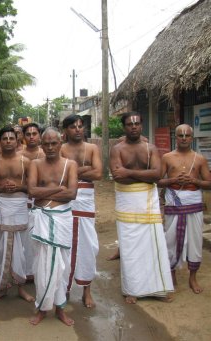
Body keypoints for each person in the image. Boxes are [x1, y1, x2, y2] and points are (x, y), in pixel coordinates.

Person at [110, 112, 174, 304]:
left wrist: (129, 172)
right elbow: (117, 176)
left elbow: (156, 175)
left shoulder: (151, 148)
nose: (134, 127)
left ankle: (159, 289)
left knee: (153, 244)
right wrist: (144, 175)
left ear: (142, 125)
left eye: (137, 123)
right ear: (124, 127)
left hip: (148, 202)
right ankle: (133, 289)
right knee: (130, 247)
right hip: (127, 202)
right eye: (130, 124)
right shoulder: (117, 149)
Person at [28, 127, 77, 326]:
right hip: (41, 218)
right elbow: (31, 191)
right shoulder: (35, 164)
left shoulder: (70, 164)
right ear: (41, 144)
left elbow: (72, 194)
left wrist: (44, 192)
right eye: (46, 144)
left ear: (61, 142)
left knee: (62, 267)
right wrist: (58, 189)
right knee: (42, 266)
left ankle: (60, 308)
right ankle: (41, 308)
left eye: (53, 143)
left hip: (62, 219)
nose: (49, 147)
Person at [158, 124, 211, 294]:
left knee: (195, 240)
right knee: (171, 237)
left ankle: (192, 277)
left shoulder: (200, 159)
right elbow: (158, 180)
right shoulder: (167, 157)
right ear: (176, 137)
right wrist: (173, 181)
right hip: (175, 200)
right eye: (180, 135)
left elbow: (208, 183)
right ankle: (171, 273)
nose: (183, 138)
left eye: (187, 135)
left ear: (191, 138)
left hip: (193, 201)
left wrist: (194, 182)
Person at [61, 114, 102, 308]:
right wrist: (84, 170)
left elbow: (99, 173)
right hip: (66, 200)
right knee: (65, 244)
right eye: (73, 127)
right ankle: (64, 287)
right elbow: (57, 175)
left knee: (88, 246)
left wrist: (72, 171)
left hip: (85, 201)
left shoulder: (92, 148)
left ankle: (87, 290)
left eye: (80, 126)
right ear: (66, 130)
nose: (78, 129)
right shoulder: (60, 149)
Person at [0, 126, 33, 302]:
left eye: (11, 138)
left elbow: (32, 187)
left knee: (20, 249)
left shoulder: (26, 161)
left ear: (17, 141)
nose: (8, 141)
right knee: (1, 248)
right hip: (0, 205)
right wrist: (1, 188)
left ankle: (20, 288)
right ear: (0, 141)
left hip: (19, 205)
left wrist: (18, 187)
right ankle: (2, 288)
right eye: (5, 138)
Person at [22, 122, 45, 281]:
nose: (31, 137)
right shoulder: (17, 154)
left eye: (34, 134)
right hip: (21, 202)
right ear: (23, 137)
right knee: (24, 240)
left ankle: (38, 271)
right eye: (28, 134)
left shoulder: (46, 155)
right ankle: (25, 272)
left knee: (39, 239)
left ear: (39, 135)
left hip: (41, 202)